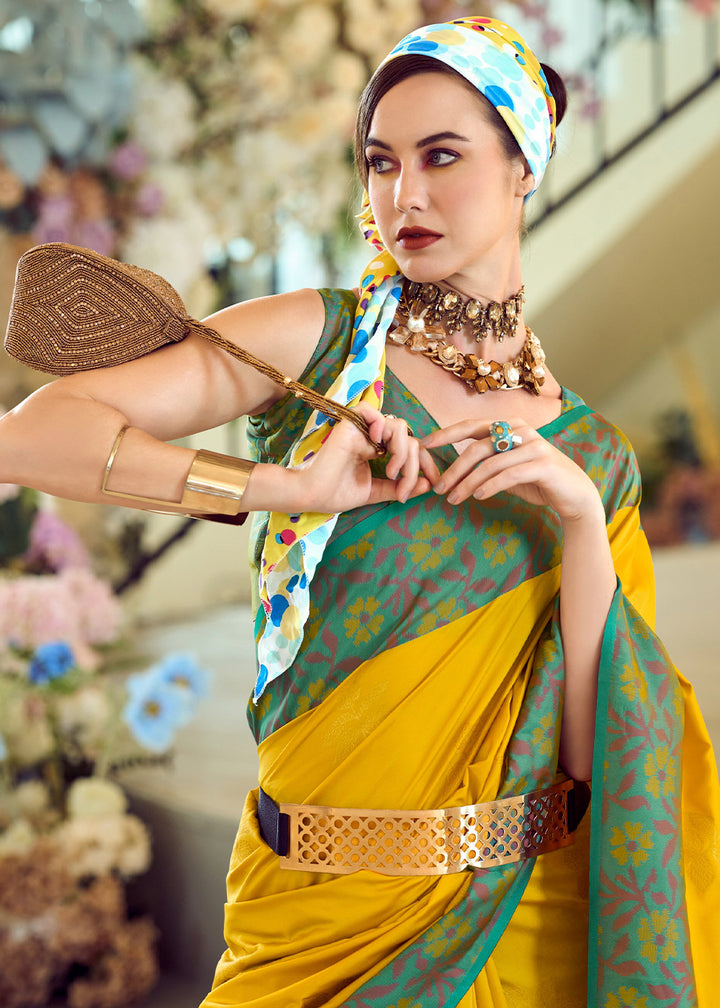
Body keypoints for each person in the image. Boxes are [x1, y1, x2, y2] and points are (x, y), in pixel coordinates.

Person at [1, 15, 719, 1008]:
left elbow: (607, 763)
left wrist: (582, 526)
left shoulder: (590, 461)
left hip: (514, 932)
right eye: (381, 161)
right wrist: (274, 489)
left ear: (524, 168)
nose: (404, 194)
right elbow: (29, 435)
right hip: (310, 920)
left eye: (442, 156)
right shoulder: (318, 345)